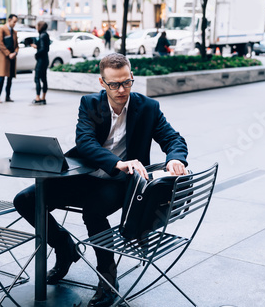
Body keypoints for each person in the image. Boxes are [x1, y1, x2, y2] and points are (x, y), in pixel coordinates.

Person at [13, 53, 188, 307]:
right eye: (114, 84)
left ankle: (107, 279)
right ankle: (64, 247)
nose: (121, 90)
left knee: (93, 212)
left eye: (127, 82)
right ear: (101, 82)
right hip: (83, 175)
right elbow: (85, 142)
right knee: (25, 200)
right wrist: (116, 161)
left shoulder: (147, 107)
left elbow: (174, 139)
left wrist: (175, 159)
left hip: (118, 182)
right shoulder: (90, 104)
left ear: (131, 77)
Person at [0, 14, 19, 103]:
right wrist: (8, 54)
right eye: (14, 22)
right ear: (9, 20)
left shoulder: (14, 32)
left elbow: (17, 45)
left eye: (16, 22)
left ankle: (7, 96)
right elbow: (0, 43)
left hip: (12, 57)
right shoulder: (2, 29)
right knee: (2, 77)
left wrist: (15, 53)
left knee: (10, 78)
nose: (15, 24)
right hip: (4, 57)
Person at [31, 21, 50, 105]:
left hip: (41, 60)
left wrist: (36, 54)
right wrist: (37, 46)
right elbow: (46, 48)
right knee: (44, 79)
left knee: (37, 78)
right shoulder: (46, 35)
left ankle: (37, 97)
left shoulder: (42, 35)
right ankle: (43, 97)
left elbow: (42, 49)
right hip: (45, 59)